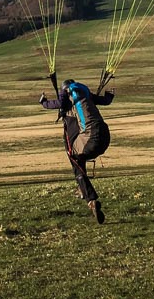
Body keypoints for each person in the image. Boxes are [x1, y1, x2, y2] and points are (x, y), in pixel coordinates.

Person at [40, 78, 114, 223]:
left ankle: (90, 198)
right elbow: (106, 100)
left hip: (90, 138)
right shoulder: (85, 95)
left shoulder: (68, 97)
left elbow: (59, 103)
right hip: (105, 136)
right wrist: (109, 94)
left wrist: (43, 102)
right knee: (79, 156)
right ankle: (83, 191)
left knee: (73, 156)